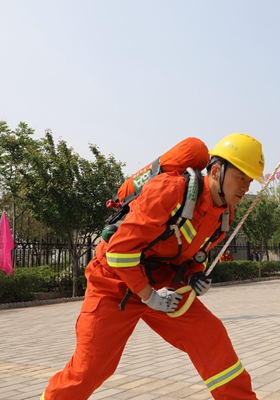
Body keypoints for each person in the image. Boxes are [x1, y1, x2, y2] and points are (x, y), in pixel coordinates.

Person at [40, 133, 265, 400]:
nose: (245, 187)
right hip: (115, 281)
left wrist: (194, 275)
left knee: (211, 339)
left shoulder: (224, 213)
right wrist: (150, 296)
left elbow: (191, 254)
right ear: (216, 171)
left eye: (250, 181)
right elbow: (119, 252)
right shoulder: (170, 190)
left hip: (163, 282)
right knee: (90, 369)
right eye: (240, 178)